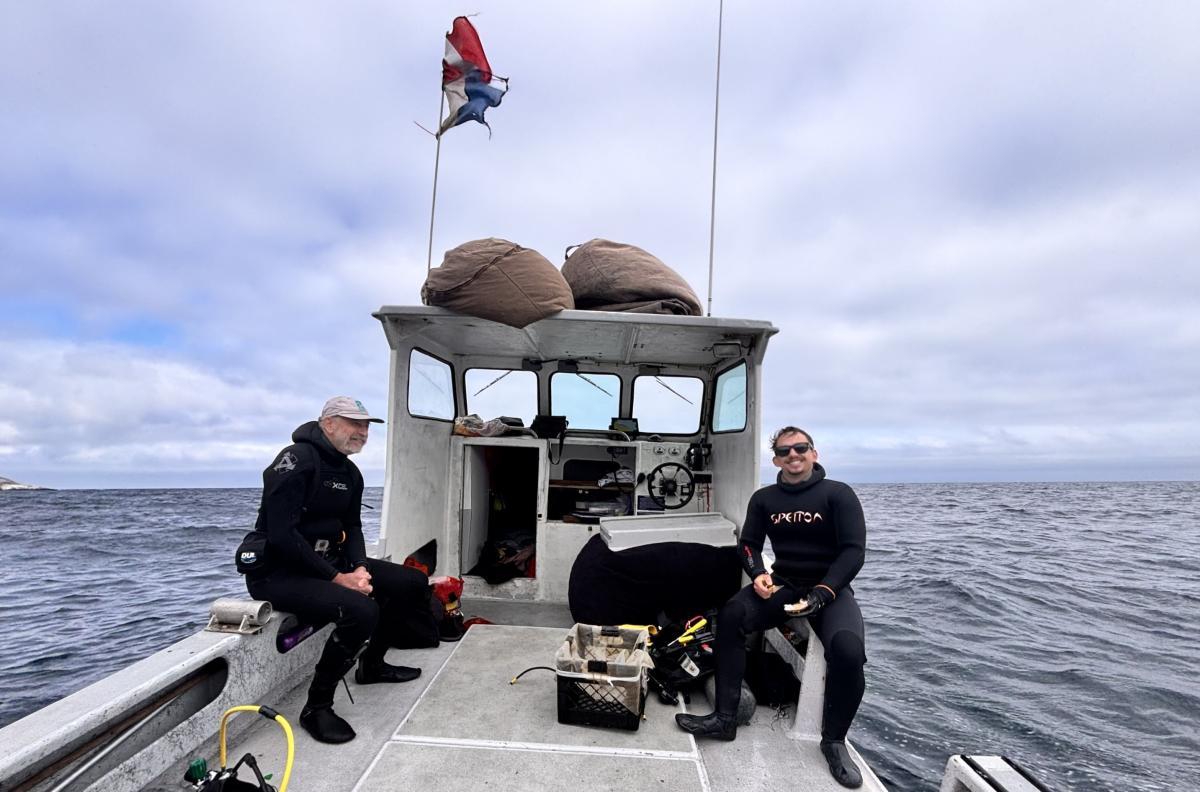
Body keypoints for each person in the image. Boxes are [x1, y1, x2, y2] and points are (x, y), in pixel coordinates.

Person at [675, 427, 868, 789]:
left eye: (801, 448)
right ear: (776, 459)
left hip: (832, 592)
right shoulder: (765, 499)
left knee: (848, 650)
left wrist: (825, 592)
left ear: (814, 452)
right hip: (785, 585)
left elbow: (853, 551)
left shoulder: (838, 495)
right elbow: (748, 544)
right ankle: (725, 719)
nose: (793, 455)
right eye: (784, 451)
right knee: (732, 614)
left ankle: (834, 742)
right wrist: (758, 574)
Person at [245, 396, 430, 744]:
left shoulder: (350, 472)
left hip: (328, 563)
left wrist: (359, 568)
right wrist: (338, 579)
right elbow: (283, 535)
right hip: (280, 572)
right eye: (353, 423)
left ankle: (372, 665)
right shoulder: (296, 461)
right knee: (361, 610)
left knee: (412, 582)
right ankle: (316, 707)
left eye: (366, 426)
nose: (362, 432)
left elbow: (353, 527)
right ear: (328, 423)